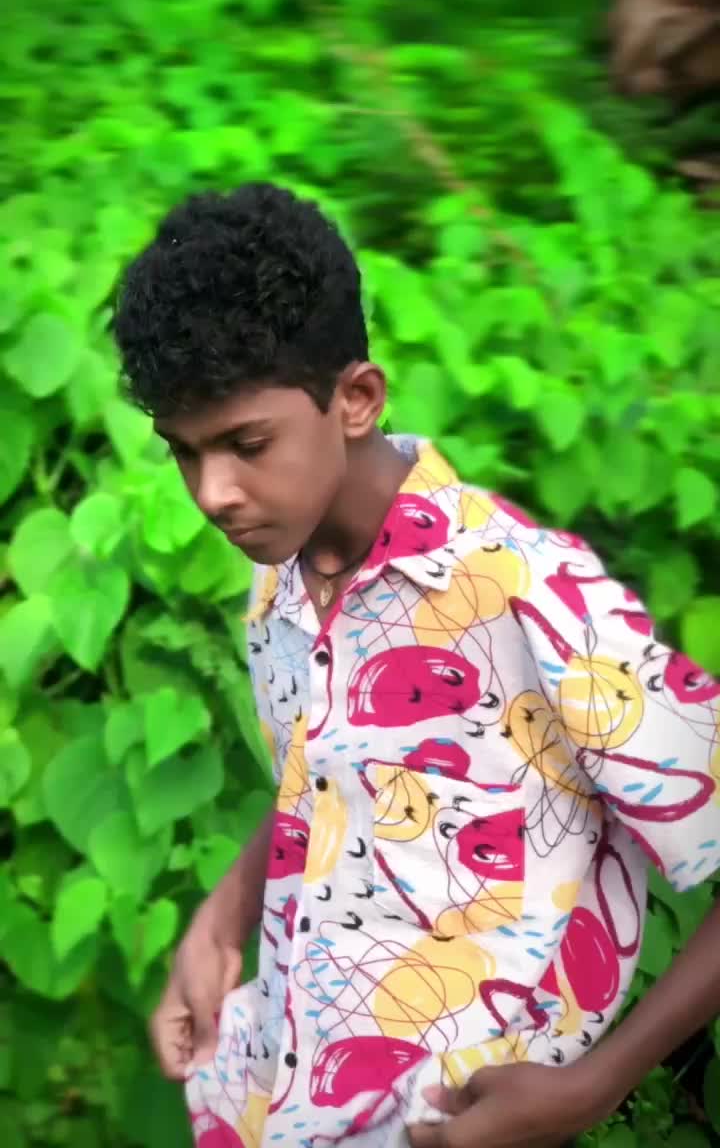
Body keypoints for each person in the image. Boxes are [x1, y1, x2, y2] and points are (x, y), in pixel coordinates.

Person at [112, 182, 720, 1148]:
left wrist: (593, 1086)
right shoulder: (281, 582)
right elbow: (327, 774)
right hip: (290, 1092)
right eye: (183, 454)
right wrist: (221, 920)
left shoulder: (521, 588)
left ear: (356, 399)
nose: (214, 493)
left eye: (246, 444)